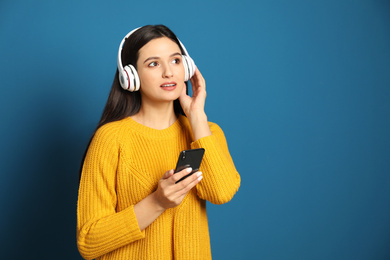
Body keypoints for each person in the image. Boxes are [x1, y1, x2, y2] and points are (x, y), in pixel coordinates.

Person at [77, 24, 241, 260]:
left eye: (175, 61)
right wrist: (156, 202)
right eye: (153, 63)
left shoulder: (206, 132)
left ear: (186, 68)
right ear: (130, 76)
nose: (168, 72)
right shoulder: (111, 139)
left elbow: (222, 193)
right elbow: (88, 241)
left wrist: (197, 119)